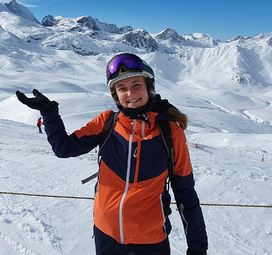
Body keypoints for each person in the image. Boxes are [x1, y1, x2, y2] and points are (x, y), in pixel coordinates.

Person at [16, 53, 208, 255]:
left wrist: (197, 247)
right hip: (106, 236)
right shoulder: (106, 123)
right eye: (122, 88)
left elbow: (186, 194)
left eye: (136, 85)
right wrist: (49, 113)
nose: (130, 93)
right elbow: (64, 148)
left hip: (150, 243)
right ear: (116, 95)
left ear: (148, 87)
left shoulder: (170, 133)